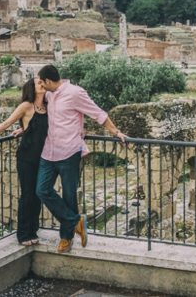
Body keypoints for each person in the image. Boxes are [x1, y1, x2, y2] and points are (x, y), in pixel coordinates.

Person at [36, 64, 127, 253]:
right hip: (48, 151)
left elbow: (97, 113)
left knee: (69, 196)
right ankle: (75, 221)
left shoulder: (75, 93)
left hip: (69, 152)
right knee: (42, 190)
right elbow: (36, 111)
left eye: (43, 84)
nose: (42, 87)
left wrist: (116, 131)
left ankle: (66, 238)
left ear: (49, 81)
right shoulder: (48, 94)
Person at [0, 77, 47, 246]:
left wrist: (23, 130)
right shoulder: (26, 106)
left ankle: (33, 229)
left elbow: (39, 128)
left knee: (38, 194)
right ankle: (23, 234)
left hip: (43, 157)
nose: (42, 84)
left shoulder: (47, 106)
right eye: (39, 82)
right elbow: (7, 122)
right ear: (32, 88)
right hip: (27, 157)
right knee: (28, 195)